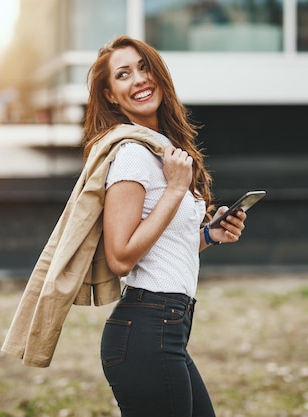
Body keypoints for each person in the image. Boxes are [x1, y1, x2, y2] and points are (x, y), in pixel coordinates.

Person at [82, 36, 247, 417]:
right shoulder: (131, 156)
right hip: (146, 330)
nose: (139, 79)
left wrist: (209, 234)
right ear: (110, 95)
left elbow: (161, 250)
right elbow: (121, 257)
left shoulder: (161, 149)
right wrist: (175, 190)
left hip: (167, 329)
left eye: (144, 67)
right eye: (123, 75)